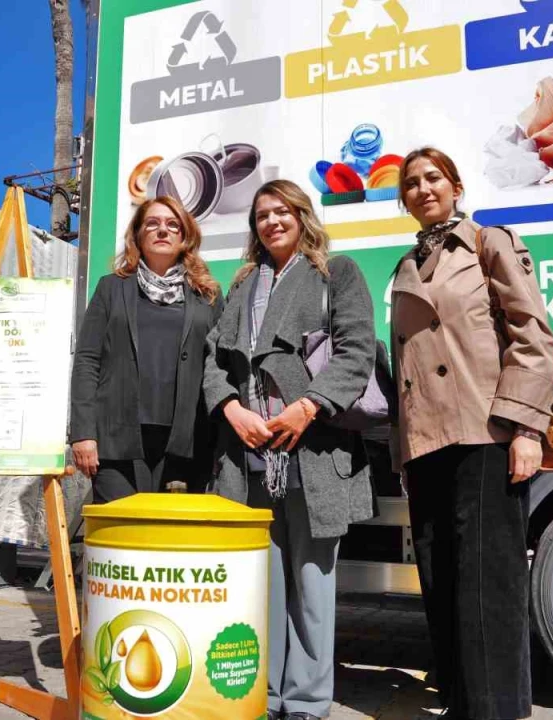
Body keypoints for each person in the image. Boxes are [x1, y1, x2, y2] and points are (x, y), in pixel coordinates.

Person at [390, 147, 553, 720]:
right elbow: (403, 366)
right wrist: (403, 453)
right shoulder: (405, 266)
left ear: (455, 185)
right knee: (443, 588)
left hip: (487, 432)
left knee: (488, 589)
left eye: (433, 177)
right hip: (428, 444)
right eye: (410, 183)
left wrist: (526, 427)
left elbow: (532, 337)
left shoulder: (490, 242)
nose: (422, 188)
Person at [204, 179, 376, 720]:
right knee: (263, 585)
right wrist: (232, 409)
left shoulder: (336, 273)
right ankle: (265, 695)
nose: (272, 221)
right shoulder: (242, 285)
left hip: (313, 451)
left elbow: (356, 351)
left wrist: (307, 407)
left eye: (283, 212)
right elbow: (213, 360)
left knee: (311, 583)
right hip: (248, 454)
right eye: (262, 215)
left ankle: (304, 701)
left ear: (302, 217)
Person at [70, 197, 223, 500]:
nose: (162, 231)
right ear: (138, 234)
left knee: (173, 540)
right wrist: (83, 433)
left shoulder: (208, 296)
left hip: (188, 441)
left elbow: (220, 365)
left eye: (172, 225)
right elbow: (88, 360)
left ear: (185, 236)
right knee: (121, 539)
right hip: (117, 441)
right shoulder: (111, 288)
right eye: (152, 223)